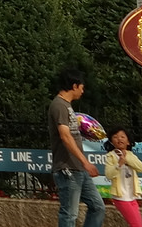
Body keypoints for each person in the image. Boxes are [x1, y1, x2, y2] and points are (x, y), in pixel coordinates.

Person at [49, 71, 104, 227]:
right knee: (69, 214)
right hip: (68, 168)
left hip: (78, 168)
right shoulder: (59, 105)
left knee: (97, 206)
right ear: (74, 86)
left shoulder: (67, 107)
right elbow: (65, 136)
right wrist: (85, 162)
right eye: (81, 87)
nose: (82, 91)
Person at [101, 128, 142, 227]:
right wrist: (119, 165)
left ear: (128, 141)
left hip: (132, 196)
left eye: (122, 137)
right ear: (111, 141)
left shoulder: (131, 155)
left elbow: (141, 168)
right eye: (115, 137)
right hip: (120, 197)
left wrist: (127, 160)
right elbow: (109, 175)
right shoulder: (111, 156)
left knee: (137, 224)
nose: (119, 139)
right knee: (137, 225)